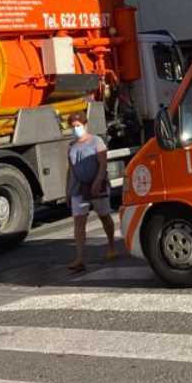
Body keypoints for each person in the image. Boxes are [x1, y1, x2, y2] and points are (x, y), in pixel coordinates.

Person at [65, 112, 117, 272]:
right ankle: (80, 258)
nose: (76, 129)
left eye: (78, 126)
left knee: (104, 217)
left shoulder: (97, 141)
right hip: (78, 189)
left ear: (85, 125)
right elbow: (70, 170)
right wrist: (67, 191)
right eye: (73, 127)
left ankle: (111, 246)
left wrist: (98, 181)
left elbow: (102, 164)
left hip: (97, 187)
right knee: (79, 223)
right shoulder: (71, 147)